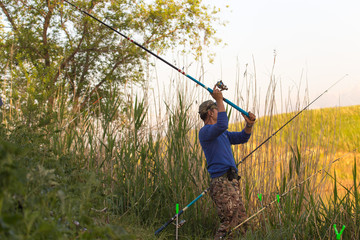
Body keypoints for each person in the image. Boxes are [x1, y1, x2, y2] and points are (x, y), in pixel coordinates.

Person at [198, 85, 256, 239]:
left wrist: (249, 124)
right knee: (229, 223)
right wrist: (219, 99)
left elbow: (242, 137)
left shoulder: (222, 134)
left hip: (231, 181)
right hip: (221, 183)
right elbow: (223, 124)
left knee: (241, 223)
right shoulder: (205, 132)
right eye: (217, 109)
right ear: (211, 113)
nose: (220, 110)